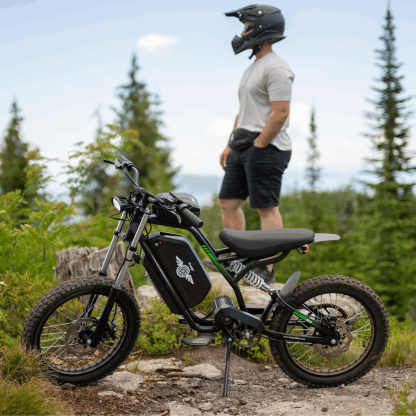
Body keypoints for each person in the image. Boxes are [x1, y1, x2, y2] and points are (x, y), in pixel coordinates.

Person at [206, 5, 294, 284]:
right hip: (243, 145)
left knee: (266, 208)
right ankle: (237, 261)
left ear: (261, 29)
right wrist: (230, 144)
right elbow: (244, 111)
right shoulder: (253, 67)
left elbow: (281, 112)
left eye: (246, 27)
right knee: (228, 202)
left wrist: (259, 145)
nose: (242, 33)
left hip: (268, 148)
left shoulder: (277, 67)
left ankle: (267, 270)